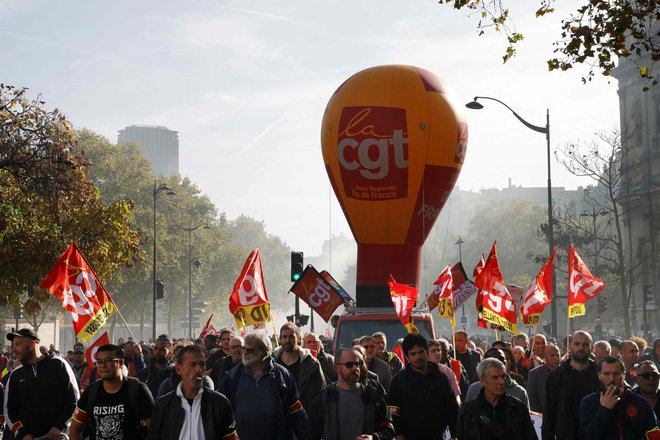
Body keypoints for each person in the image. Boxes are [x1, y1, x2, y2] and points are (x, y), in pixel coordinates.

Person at [219, 332, 308, 440]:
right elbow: (221, 412)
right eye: (244, 349)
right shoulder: (232, 376)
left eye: (250, 350)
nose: (245, 353)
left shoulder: (282, 375)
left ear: (264, 352)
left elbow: (296, 411)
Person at [148, 345, 237, 440]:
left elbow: (230, 437)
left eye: (202, 364)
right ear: (178, 369)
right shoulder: (164, 405)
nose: (198, 369)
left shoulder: (219, 403)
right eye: (192, 364)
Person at [4, 328, 80, 440]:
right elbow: (9, 412)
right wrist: (22, 434)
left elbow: (74, 400)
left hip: (58, 436)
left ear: (32, 343)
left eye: (18, 344)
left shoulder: (59, 364)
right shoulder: (16, 374)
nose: (13, 350)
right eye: (13, 345)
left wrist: (59, 426)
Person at [70, 344, 154, 440]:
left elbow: (154, 429)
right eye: (99, 362)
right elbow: (75, 428)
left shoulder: (138, 389)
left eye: (108, 361)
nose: (103, 366)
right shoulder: (91, 391)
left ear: (121, 363)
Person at [309, 348, 395, 440]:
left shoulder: (373, 395)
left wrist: (373, 437)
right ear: (337, 368)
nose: (355, 368)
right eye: (349, 365)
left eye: (357, 364)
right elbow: (312, 433)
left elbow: (389, 428)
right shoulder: (325, 396)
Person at [388, 333, 458, 440]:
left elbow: (452, 409)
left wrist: (455, 435)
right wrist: (399, 435)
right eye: (413, 354)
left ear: (426, 352)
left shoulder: (441, 378)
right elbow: (395, 413)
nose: (418, 357)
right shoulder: (398, 381)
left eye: (421, 352)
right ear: (407, 356)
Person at [579, 355, 658, 439]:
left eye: (616, 374)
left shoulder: (640, 402)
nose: (611, 378)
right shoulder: (589, 402)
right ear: (599, 375)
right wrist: (604, 410)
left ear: (623, 375)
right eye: (606, 374)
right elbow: (588, 436)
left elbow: (654, 434)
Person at [457, 358, 537, 440]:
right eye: (495, 378)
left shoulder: (518, 408)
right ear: (483, 380)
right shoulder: (467, 411)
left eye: (503, 376)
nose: (501, 381)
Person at [543, 330, 600, 440]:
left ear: (591, 347)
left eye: (585, 344)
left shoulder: (601, 374)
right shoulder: (556, 376)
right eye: (577, 344)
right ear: (570, 346)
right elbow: (549, 413)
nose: (581, 348)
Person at [273, 322, 326, 411]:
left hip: (304, 416)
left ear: (299, 339)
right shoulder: (271, 363)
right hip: (279, 417)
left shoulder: (312, 364)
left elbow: (322, 392)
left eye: (291, 337)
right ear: (280, 339)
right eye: (284, 337)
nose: (287, 340)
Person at [526, 343, 560, 413]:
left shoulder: (566, 373)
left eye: (558, 355)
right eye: (552, 355)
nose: (556, 358)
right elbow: (531, 397)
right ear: (545, 357)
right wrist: (540, 415)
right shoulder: (534, 374)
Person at [427, 339, 461, 403]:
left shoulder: (449, 372)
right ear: (426, 353)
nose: (437, 353)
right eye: (433, 351)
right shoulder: (420, 371)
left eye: (439, 350)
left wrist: (458, 406)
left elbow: (456, 395)